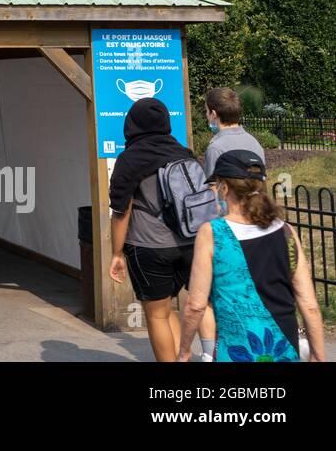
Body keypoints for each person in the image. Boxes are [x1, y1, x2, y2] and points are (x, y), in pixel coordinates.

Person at [178, 150, 326, 363]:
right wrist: (318, 355)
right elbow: (309, 305)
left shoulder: (212, 233)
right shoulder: (286, 232)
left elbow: (196, 305)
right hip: (284, 347)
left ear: (225, 187)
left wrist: (184, 353)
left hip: (236, 349)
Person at [107, 97, 202, 362]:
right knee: (167, 307)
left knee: (157, 313)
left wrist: (116, 253)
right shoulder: (183, 152)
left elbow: (121, 211)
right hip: (190, 243)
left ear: (132, 124)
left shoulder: (130, 159)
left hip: (149, 247)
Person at [202, 87, 265, 179]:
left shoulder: (216, 148)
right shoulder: (255, 144)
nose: (206, 115)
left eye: (207, 111)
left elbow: (212, 189)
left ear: (214, 114)